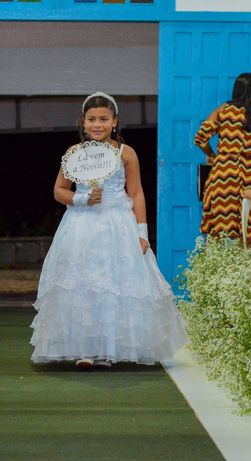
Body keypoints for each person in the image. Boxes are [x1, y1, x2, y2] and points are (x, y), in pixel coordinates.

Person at [30, 92, 188, 370]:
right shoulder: (74, 155)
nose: (97, 124)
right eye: (92, 119)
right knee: (84, 286)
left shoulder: (126, 154)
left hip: (117, 225)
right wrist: (82, 198)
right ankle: (85, 349)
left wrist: (142, 233)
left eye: (103, 119)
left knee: (114, 286)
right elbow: (59, 191)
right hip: (81, 227)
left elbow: (136, 194)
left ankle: (109, 349)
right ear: (83, 122)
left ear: (115, 121)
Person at [194, 73, 251, 244]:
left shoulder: (222, 111)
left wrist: (213, 156)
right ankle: (248, 268)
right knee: (250, 231)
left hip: (223, 175)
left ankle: (215, 268)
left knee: (217, 233)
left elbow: (200, 139)